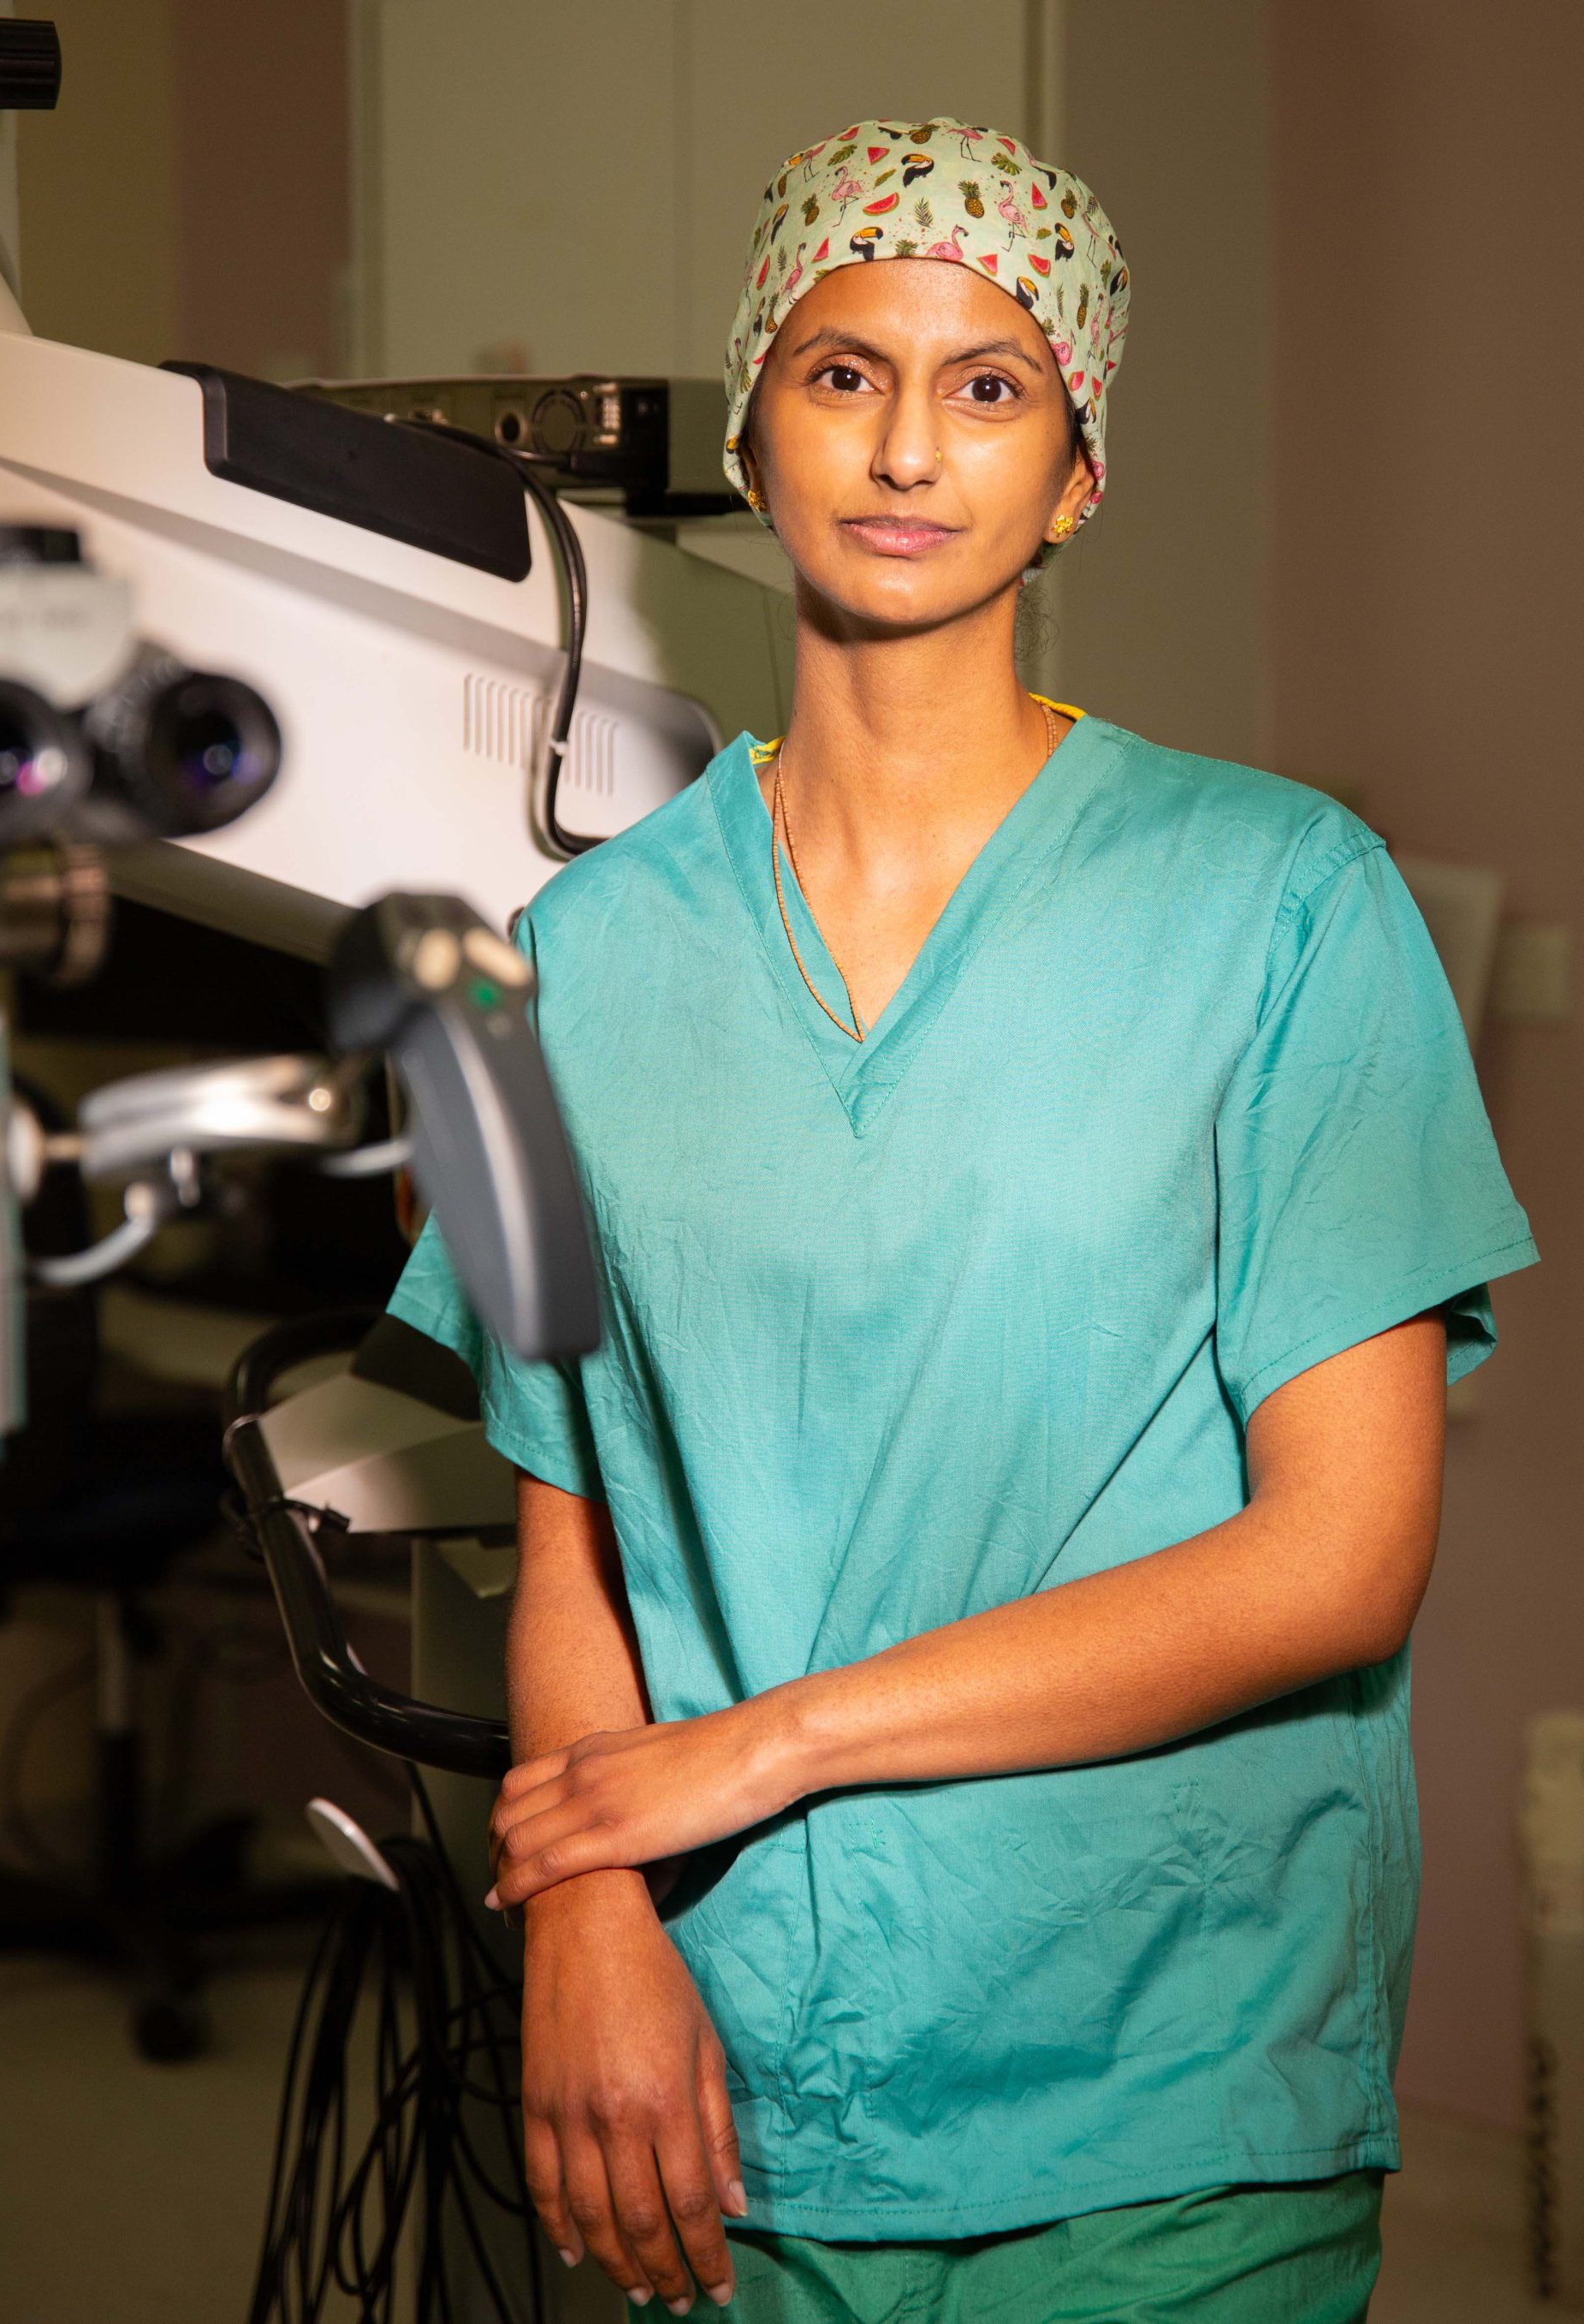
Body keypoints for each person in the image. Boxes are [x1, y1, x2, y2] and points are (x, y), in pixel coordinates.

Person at [389, 116, 1538, 2323]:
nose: (909, 444)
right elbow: (571, 1552)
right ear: (749, 425)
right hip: (729, 2086)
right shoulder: (584, 957)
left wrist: (771, 1741)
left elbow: (1342, 1548)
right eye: (843, 372)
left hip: (1170, 2089)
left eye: (990, 385)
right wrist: (592, 1924)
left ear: (1078, 471)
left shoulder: (1282, 904)